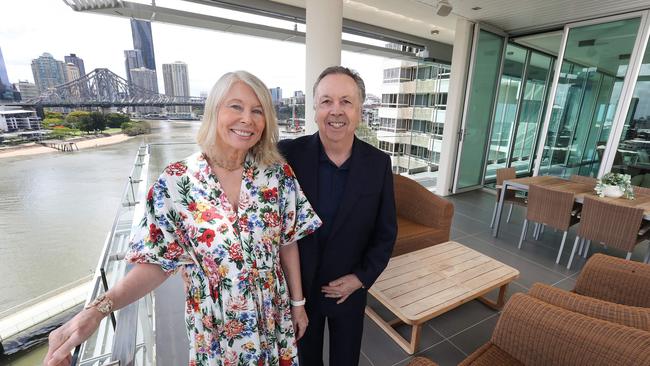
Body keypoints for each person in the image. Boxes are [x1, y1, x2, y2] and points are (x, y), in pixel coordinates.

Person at [44, 71, 322, 366]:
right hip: (216, 331)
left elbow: (288, 242)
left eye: (258, 110)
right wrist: (97, 310)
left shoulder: (276, 174)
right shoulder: (176, 182)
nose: (247, 119)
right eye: (235, 106)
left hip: (272, 315)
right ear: (214, 110)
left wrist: (298, 304)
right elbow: (156, 263)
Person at [278, 66, 397, 366]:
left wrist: (361, 278)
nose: (336, 111)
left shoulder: (379, 164)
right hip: (299, 292)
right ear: (315, 108)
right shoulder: (287, 155)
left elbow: (386, 233)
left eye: (346, 101)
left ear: (359, 110)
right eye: (327, 101)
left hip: (348, 292)